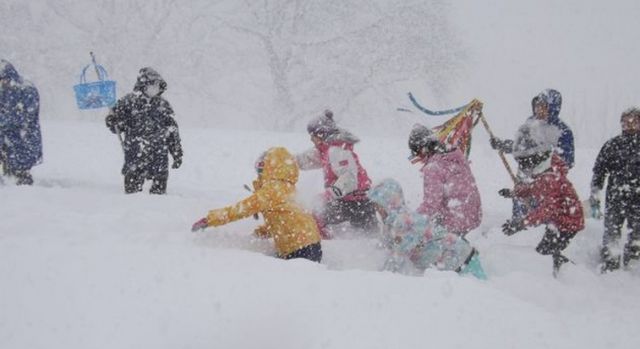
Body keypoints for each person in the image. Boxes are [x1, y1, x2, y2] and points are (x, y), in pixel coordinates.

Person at [191, 147, 322, 263]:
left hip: (297, 249)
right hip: (311, 246)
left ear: (271, 168)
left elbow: (242, 209)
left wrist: (210, 219)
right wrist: (261, 233)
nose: (259, 174)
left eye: (261, 170)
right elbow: (284, 220)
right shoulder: (288, 188)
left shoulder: (272, 189)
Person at [500, 119, 584, 276]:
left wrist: (521, 223)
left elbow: (547, 209)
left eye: (525, 162)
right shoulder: (546, 170)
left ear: (534, 157)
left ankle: (567, 275)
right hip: (560, 220)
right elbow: (534, 189)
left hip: (567, 223)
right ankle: (562, 269)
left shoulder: (549, 177)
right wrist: (514, 193)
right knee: (548, 249)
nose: (524, 167)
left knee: (545, 250)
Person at [367, 178, 487, 279]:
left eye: (378, 205)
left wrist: (378, 279)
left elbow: (397, 259)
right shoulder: (393, 223)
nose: (377, 210)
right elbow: (390, 247)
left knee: (478, 296)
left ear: (388, 203)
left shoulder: (402, 223)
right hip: (459, 258)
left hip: (459, 260)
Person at [491, 89, 575, 220]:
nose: (539, 109)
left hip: (545, 183)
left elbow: (567, 160)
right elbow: (523, 147)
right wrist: (504, 145)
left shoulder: (562, 131)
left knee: (541, 216)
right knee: (521, 211)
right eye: (537, 105)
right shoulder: (530, 122)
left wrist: (544, 165)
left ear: (553, 108)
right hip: (524, 177)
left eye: (543, 106)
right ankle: (518, 229)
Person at [294, 109, 377, 238]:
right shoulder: (325, 149)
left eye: (313, 135)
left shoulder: (336, 150)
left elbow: (349, 179)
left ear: (322, 134)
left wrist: (328, 194)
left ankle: (324, 241)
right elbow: (305, 160)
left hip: (356, 202)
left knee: (317, 212)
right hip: (349, 201)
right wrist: (285, 161)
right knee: (317, 212)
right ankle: (327, 239)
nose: (311, 139)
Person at [105, 67, 182, 194]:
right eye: (152, 84)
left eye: (157, 85)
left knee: (159, 191)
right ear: (143, 85)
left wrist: (176, 152)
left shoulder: (163, 105)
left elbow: (172, 130)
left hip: (159, 153)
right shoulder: (128, 102)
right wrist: (112, 121)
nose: (155, 88)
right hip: (135, 151)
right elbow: (117, 127)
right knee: (132, 192)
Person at [589, 107, 640, 272]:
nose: (629, 124)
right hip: (616, 198)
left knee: (637, 237)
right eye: (626, 121)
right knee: (611, 234)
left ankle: (633, 266)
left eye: (633, 121)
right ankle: (610, 265)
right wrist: (595, 193)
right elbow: (599, 171)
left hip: (638, 200)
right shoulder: (612, 145)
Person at [408, 124, 482, 236]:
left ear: (424, 149)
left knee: (423, 236)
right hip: (473, 216)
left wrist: (411, 221)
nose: (419, 157)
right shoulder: (455, 156)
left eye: (417, 152)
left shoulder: (433, 167)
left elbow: (431, 204)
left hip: (455, 221)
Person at [0, 60, 42, 185]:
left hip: (23, 137)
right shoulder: (4, 90)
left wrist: (4, 120)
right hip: (7, 137)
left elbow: (25, 116)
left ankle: (23, 183)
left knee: (20, 167)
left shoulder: (26, 89)